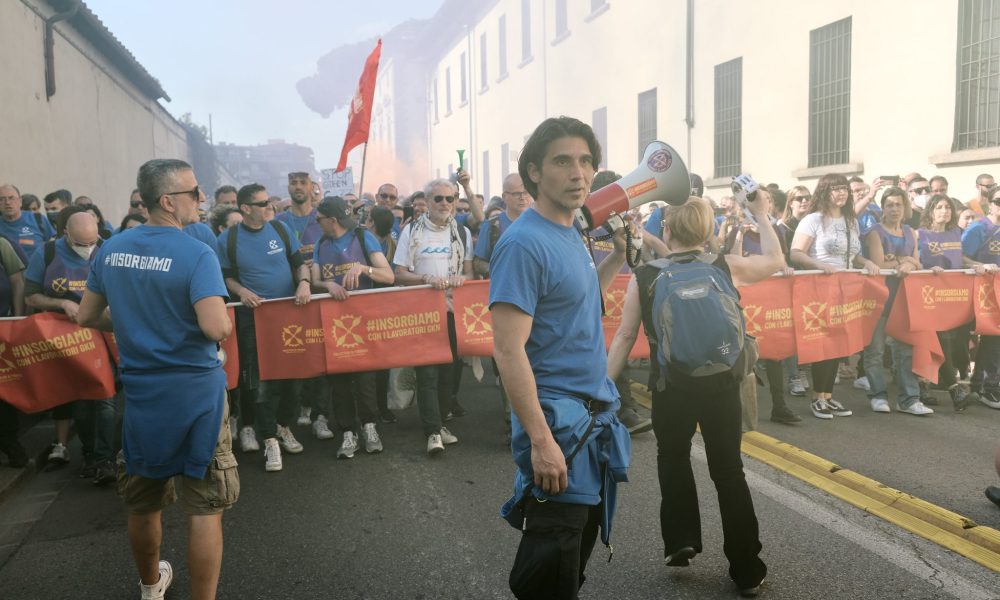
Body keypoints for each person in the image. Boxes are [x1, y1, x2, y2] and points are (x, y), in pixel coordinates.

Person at [78, 158, 237, 600]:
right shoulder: (196, 252)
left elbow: (88, 316)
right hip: (196, 393)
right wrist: (219, 323)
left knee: (144, 499)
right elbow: (214, 327)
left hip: (144, 395)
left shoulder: (111, 249)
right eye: (194, 192)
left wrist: (131, 324)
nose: (201, 200)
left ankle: (151, 588)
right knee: (205, 506)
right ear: (168, 201)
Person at [609, 189, 777, 597]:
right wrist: (761, 216)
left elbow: (625, 336)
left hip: (672, 386)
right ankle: (746, 566)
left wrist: (601, 389)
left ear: (666, 228)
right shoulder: (722, 265)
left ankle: (682, 539)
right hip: (721, 385)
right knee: (728, 471)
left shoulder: (646, 277)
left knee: (673, 458)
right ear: (708, 229)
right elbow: (775, 262)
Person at [491, 116, 630, 599]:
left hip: (588, 425)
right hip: (561, 430)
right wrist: (541, 440)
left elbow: (579, 298)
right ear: (534, 173)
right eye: (563, 161)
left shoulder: (570, 231)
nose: (579, 173)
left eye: (587, 161)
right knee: (549, 576)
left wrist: (616, 257)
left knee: (569, 567)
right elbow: (508, 352)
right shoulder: (523, 243)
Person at [217, 184, 312, 471]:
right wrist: (241, 292)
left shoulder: (281, 230)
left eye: (269, 201)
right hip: (253, 319)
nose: (268, 206)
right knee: (261, 381)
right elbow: (226, 278)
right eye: (261, 203)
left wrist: (304, 282)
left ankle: (283, 426)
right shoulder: (229, 239)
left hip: (289, 316)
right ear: (245, 208)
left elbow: (300, 264)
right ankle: (269, 439)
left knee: (293, 379)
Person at [24, 211, 119, 479]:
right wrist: (62, 303)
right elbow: (31, 297)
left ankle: (105, 459)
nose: (87, 249)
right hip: (67, 338)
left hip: (104, 335)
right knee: (81, 398)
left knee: (105, 396)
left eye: (92, 242)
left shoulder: (108, 250)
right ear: (66, 233)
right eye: (81, 244)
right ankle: (90, 454)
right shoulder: (47, 253)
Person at [790, 174, 880, 420]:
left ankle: (827, 396)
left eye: (844, 189)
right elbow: (796, 253)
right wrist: (819, 264)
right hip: (820, 287)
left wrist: (867, 262)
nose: (842, 194)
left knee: (839, 343)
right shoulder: (813, 219)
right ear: (824, 192)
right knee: (823, 342)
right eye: (836, 189)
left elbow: (853, 255)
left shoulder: (851, 220)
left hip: (846, 288)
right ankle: (817, 398)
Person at [310, 197, 394, 457]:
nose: (317, 223)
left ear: (331, 220)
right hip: (333, 320)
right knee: (339, 378)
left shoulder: (363, 237)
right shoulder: (321, 243)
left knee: (366, 377)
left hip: (363, 317)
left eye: (319, 219)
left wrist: (364, 268)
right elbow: (314, 280)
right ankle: (348, 432)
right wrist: (328, 285)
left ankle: (369, 426)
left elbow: (388, 275)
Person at [393, 178, 472, 455]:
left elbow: (469, 273)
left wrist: (459, 279)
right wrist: (426, 278)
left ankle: (439, 422)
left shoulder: (462, 232)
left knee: (448, 372)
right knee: (427, 374)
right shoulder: (412, 231)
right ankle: (432, 432)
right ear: (426, 202)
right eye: (438, 199)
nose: (445, 204)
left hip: (452, 310)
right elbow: (398, 273)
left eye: (450, 199)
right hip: (422, 312)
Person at [861, 187, 933, 415]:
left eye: (898, 204)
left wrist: (909, 263)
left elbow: (918, 264)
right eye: (889, 204)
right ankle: (878, 395)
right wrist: (906, 261)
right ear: (883, 207)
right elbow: (879, 264)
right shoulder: (875, 232)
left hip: (905, 300)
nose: (894, 209)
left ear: (905, 208)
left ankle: (909, 399)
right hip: (879, 298)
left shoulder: (911, 232)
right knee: (876, 351)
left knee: (906, 351)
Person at [917, 194, 973, 408]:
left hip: (952, 295)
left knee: (950, 340)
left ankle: (925, 385)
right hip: (928, 294)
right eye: (939, 207)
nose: (944, 211)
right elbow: (916, 260)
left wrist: (976, 264)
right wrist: (926, 269)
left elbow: (961, 257)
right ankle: (953, 388)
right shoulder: (920, 234)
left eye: (948, 207)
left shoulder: (955, 232)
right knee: (938, 339)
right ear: (930, 210)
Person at [961, 184, 1000, 410]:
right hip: (980, 291)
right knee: (988, 338)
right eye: (998, 201)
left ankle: (982, 385)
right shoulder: (979, 228)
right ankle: (985, 385)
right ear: (989, 203)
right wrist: (981, 266)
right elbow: (961, 255)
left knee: (995, 339)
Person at [0, 183, 56, 259]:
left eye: (11, 198)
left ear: (20, 201)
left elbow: (55, 245)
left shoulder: (38, 219)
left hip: (38, 269)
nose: (7, 202)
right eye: (2, 199)